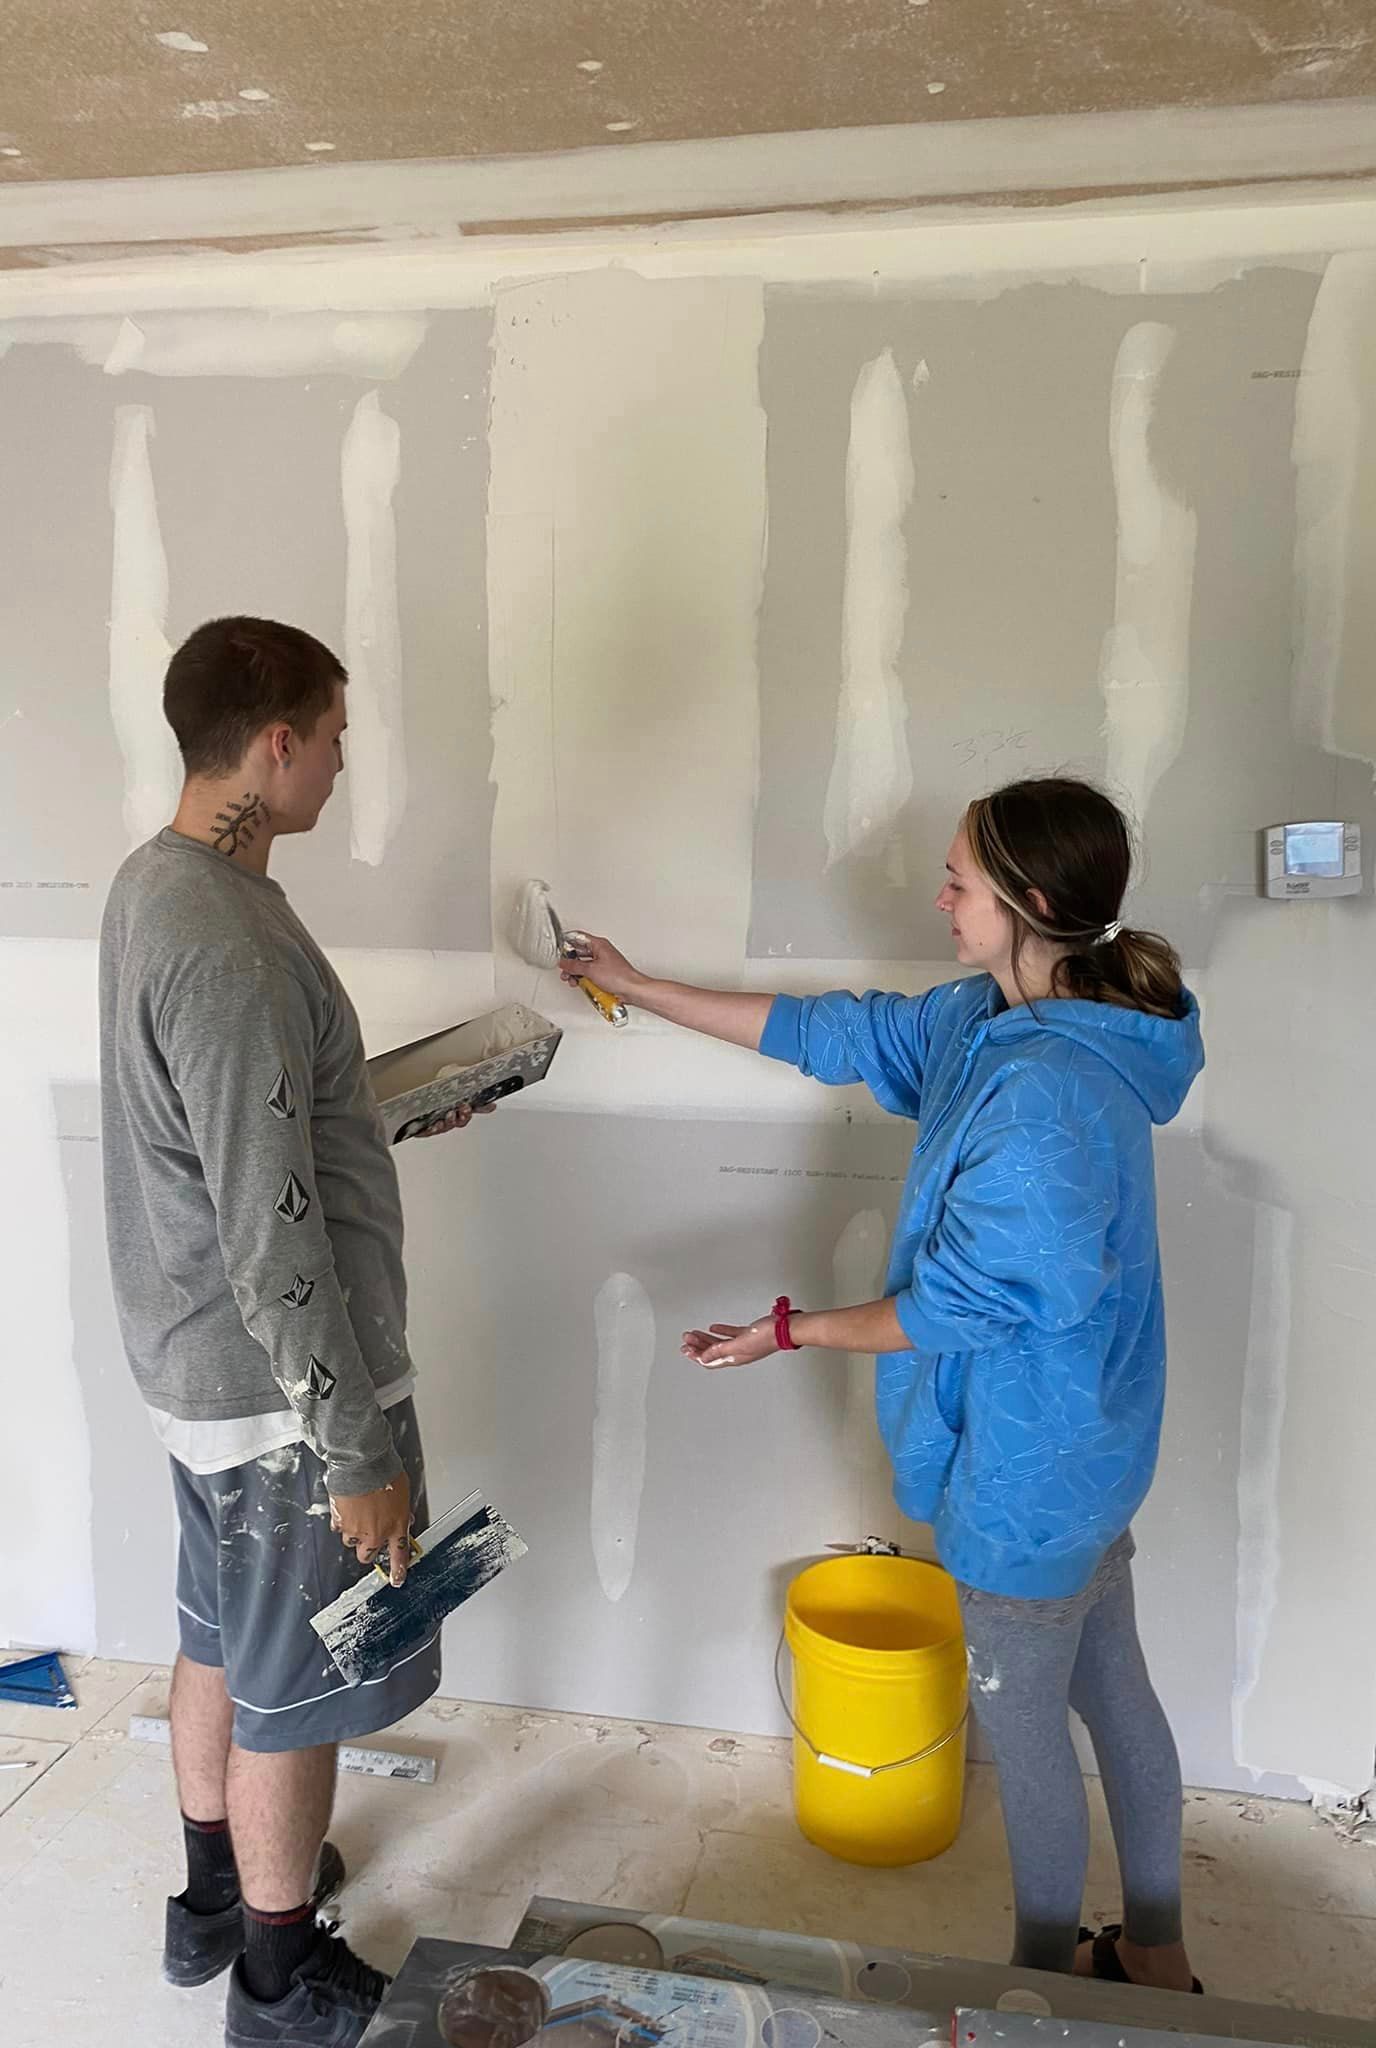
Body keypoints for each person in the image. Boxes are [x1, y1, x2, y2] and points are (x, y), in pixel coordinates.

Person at [564, 776, 1205, 1993]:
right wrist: (638, 984)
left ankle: (1045, 1985)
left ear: (1032, 900)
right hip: (1085, 1450)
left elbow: (957, 1305)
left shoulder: (1049, 1097)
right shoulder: (995, 1019)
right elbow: (833, 1032)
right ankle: (1160, 1955)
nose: (939, 892)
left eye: (960, 877)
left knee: (1029, 1744)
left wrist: (785, 1330)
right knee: (1113, 1683)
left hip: (1031, 1472)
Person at [99, 616, 487, 2048]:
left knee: (218, 1640)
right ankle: (278, 1977)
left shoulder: (168, 885)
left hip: (204, 1371)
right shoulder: (229, 942)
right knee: (302, 1695)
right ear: (275, 745)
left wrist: (381, 1110)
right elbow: (270, 1228)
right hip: (282, 1398)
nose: (341, 758)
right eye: (333, 734)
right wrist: (356, 1442)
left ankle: (211, 1903)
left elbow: (239, 1138)